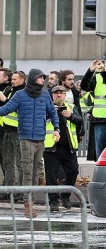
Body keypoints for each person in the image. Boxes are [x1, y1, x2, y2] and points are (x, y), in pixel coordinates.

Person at [0, 69, 60, 218]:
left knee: (35, 174)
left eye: (43, 78)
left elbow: (52, 112)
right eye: (40, 78)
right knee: (27, 172)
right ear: (33, 79)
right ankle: (29, 205)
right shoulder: (20, 95)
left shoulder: (45, 95)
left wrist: (56, 129)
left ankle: (31, 201)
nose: (42, 80)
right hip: (25, 139)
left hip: (40, 139)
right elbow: (6, 109)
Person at [44, 85, 83, 211]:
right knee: (51, 177)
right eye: (56, 93)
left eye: (61, 93)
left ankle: (65, 195)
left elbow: (80, 120)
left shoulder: (71, 107)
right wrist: (51, 114)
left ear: (65, 95)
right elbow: (39, 121)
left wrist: (71, 116)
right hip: (51, 148)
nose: (59, 95)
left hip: (68, 148)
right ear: (52, 95)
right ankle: (53, 201)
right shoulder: (46, 107)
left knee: (73, 172)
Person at [0, 70, 25, 202]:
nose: (12, 81)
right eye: (12, 79)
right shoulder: (10, 90)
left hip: (18, 131)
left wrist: (5, 100)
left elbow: (17, 108)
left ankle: (20, 193)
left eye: (15, 79)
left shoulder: (23, 93)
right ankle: (8, 190)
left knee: (20, 163)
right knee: (7, 161)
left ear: (22, 80)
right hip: (7, 130)